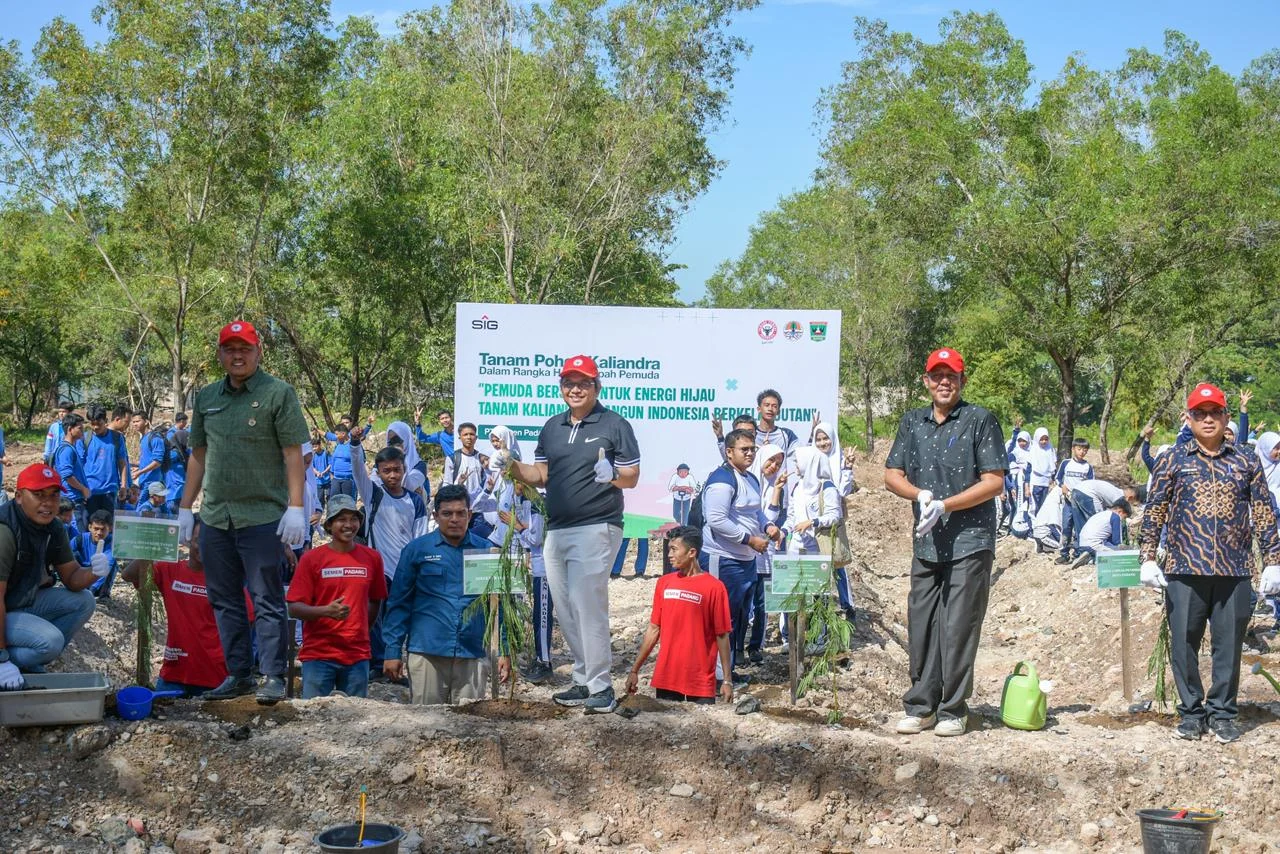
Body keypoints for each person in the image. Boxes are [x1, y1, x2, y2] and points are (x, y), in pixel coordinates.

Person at [179, 320, 311, 705]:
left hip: (262, 516)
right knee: (223, 598)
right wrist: (187, 508)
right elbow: (198, 455)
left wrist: (297, 508)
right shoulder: (205, 398)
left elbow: (293, 453)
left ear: (258, 352)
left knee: (266, 597)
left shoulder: (278, 393)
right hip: (217, 516)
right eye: (230, 349)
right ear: (220, 354)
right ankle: (238, 674)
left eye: (245, 349)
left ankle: (272, 675)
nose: (238, 355)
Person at [1141, 383, 1280, 744]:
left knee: (1229, 644)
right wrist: (1147, 556)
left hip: (1234, 569)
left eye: (1214, 412)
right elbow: (1154, 508)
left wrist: (1273, 561)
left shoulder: (1245, 459)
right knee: (1184, 642)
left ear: (1226, 417)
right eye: (1200, 413)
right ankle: (1191, 713)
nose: (1207, 419)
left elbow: (1264, 511)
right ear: (1188, 418)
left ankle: (1222, 713)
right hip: (1185, 568)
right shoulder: (1174, 458)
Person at [501, 354, 641, 713]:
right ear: (561, 387)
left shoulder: (614, 425)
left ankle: (601, 686)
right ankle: (582, 679)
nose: (575, 389)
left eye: (583, 382)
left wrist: (611, 475)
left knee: (587, 604)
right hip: (557, 528)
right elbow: (541, 476)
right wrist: (511, 465)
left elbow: (632, 477)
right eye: (569, 382)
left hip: (597, 525)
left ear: (597, 386)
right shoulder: (552, 427)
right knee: (565, 608)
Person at [884, 348, 1006, 738]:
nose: (943, 382)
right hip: (927, 542)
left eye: (951, 376)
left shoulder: (979, 420)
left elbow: (993, 481)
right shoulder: (912, 423)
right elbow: (892, 474)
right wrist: (919, 496)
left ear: (962, 380)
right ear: (926, 381)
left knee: (958, 624)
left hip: (970, 539)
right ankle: (921, 706)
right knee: (921, 622)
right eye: (936, 376)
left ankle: (953, 708)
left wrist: (946, 504)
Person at [382, 484, 510, 704]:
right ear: (435, 515)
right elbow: (399, 604)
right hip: (427, 652)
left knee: (470, 726)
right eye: (447, 513)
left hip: (472, 654)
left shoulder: (486, 551)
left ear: (469, 515)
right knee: (427, 727)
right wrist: (392, 651)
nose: (454, 519)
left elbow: (499, 606)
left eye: (461, 513)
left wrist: (505, 650)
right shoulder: (417, 550)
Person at [0, 464, 103, 680]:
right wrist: (2, 659)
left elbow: (72, 578)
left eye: (54, 495)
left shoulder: (53, 528)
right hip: (5, 605)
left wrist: (94, 571)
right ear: (19, 496)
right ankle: (8, 663)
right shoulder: (5, 531)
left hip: (18, 602)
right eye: (38, 495)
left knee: (84, 601)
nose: (48, 503)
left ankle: (28, 660)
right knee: (50, 641)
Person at [122, 514, 242, 697]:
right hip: (173, 675)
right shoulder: (171, 570)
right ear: (188, 541)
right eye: (198, 540)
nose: (203, 547)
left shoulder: (226, 579)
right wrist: (150, 546)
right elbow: (129, 575)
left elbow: (246, 621)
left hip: (214, 678)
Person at [699, 428, 781, 684]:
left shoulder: (750, 479)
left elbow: (755, 513)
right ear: (729, 452)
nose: (749, 453)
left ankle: (727, 671)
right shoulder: (722, 480)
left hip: (746, 561)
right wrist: (748, 539)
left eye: (752, 449)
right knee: (718, 618)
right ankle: (712, 677)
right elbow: (716, 520)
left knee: (734, 619)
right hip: (723, 559)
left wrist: (767, 526)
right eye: (744, 449)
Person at [287, 496, 387, 699]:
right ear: (330, 525)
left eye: (353, 519)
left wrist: (362, 628)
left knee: (356, 720)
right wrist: (325, 611)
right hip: (319, 654)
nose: (349, 525)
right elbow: (294, 607)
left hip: (357, 655)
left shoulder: (372, 558)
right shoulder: (312, 559)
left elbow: (376, 599)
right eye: (341, 519)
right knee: (313, 721)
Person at [626, 526, 734, 705]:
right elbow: (654, 628)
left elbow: (722, 635)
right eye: (669, 549)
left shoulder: (715, 587)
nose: (669, 554)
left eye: (674, 549)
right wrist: (634, 670)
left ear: (692, 552)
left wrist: (727, 680)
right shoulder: (664, 583)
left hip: (700, 681)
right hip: (667, 676)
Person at [351, 442, 429, 677]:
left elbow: (420, 538)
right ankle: (377, 663)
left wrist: (418, 568)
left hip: (405, 571)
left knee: (401, 617)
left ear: (404, 469)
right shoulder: (373, 493)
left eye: (397, 469)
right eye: (387, 470)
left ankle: (397, 662)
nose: (393, 475)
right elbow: (357, 469)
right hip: (380, 569)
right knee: (376, 618)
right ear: (378, 472)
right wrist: (355, 445)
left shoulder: (415, 501)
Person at [82, 403, 132, 517]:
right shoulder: (85, 438)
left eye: (99, 424)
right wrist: (82, 489)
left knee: (109, 527)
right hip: (90, 490)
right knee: (93, 527)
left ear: (106, 420)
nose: (95, 427)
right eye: (92, 424)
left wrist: (124, 485)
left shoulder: (117, 438)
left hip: (110, 491)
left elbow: (122, 463)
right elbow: (79, 465)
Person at [1053, 439, 1095, 565]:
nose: (1082, 452)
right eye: (1079, 449)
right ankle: (1064, 554)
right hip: (1068, 502)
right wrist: (1063, 487)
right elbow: (1057, 478)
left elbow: (1091, 484)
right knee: (1066, 526)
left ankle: (1077, 553)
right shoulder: (1066, 463)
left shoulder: (1088, 467)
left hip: (1080, 504)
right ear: (1073, 449)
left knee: (1079, 528)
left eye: (1085, 450)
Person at [52, 413, 91, 533]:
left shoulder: (71, 448)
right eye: (79, 428)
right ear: (70, 429)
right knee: (77, 534)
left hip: (75, 499)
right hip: (72, 500)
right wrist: (83, 489)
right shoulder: (66, 450)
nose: (82, 431)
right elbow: (67, 475)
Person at [72, 510, 119, 598]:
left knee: (111, 565)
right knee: (72, 555)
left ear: (110, 528)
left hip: (99, 582)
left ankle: (102, 594)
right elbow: (64, 559)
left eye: (103, 529)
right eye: (96, 529)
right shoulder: (79, 539)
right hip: (81, 575)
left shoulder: (113, 543)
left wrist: (91, 590)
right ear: (90, 527)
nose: (99, 533)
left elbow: (107, 566)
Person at [1074, 499, 1132, 564]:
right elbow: (1117, 542)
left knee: (1109, 548)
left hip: (1082, 544)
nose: (1123, 520)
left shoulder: (1101, 514)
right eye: (1124, 517)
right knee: (1117, 557)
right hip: (1094, 545)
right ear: (1120, 511)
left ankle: (1090, 557)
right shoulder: (1116, 517)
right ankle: (1092, 560)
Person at [131, 413, 168, 494]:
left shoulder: (155, 438)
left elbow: (157, 462)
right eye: (133, 422)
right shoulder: (143, 438)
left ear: (146, 422)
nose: (134, 424)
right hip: (144, 482)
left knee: (146, 506)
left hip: (154, 483)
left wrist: (140, 472)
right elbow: (147, 460)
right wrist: (136, 466)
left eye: (137, 421)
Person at [1028, 428, 1057, 512]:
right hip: (1036, 480)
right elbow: (1029, 467)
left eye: (1046, 439)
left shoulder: (1050, 448)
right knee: (1034, 504)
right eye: (1041, 439)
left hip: (1047, 481)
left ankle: (1041, 522)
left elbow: (1053, 463)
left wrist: (1052, 477)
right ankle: (1034, 522)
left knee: (1044, 504)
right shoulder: (1034, 449)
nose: (1044, 441)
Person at [327, 424, 357, 500]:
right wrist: (332, 473)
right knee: (334, 501)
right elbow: (334, 459)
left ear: (343, 434)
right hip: (336, 479)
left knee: (347, 502)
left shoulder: (352, 446)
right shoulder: (338, 445)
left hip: (347, 480)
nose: (335, 436)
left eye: (337, 434)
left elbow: (359, 461)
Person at [311, 440, 333, 507]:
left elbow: (330, 464)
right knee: (320, 499)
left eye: (316, 446)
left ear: (319, 445)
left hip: (327, 480)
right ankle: (321, 513)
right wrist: (317, 473)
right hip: (318, 481)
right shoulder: (313, 455)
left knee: (329, 497)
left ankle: (329, 512)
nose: (314, 448)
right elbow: (312, 466)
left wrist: (324, 472)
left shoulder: (326, 453)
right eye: (313, 447)